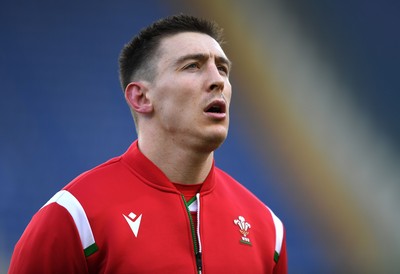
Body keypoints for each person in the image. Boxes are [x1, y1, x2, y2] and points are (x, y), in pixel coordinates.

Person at [9, 14, 288, 273]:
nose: (217, 80)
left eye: (223, 69)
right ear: (141, 98)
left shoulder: (267, 229)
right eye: (193, 66)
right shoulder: (75, 216)